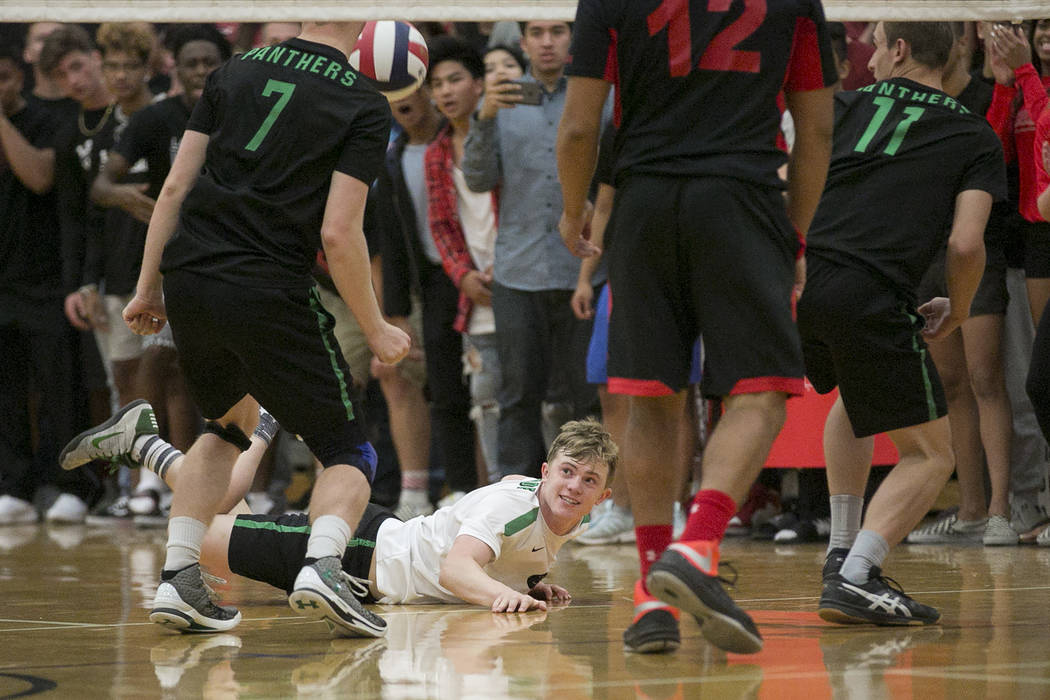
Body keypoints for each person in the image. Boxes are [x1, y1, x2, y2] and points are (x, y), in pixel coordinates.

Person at [558, 0, 836, 655]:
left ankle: (653, 594)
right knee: (762, 392)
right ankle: (698, 544)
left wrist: (574, 213)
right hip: (740, 198)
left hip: (644, 203)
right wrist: (795, 236)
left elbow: (577, 129)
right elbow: (818, 128)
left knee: (651, 398)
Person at [119, 21, 410, 636]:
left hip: (190, 274)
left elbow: (174, 185)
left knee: (229, 424)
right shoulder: (363, 101)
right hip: (268, 283)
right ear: (363, 28)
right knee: (348, 449)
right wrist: (377, 326)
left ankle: (178, 579)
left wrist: (148, 286)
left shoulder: (236, 70)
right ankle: (324, 566)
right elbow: (339, 231)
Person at [797, 22, 1005, 625]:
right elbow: (966, 245)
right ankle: (858, 574)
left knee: (857, 403)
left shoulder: (842, 104)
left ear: (899, 50)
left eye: (876, 42)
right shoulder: (973, 132)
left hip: (812, 281)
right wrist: (959, 307)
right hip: (872, 291)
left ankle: (841, 551)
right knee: (932, 456)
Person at [62, 407, 615, 613]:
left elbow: (484, 558)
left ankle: (160, 443)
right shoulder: (516, 506)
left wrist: (525, 582)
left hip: (371, 560)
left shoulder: (562, 519)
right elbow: (454, 569)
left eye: (589, 480)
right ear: (546, 471)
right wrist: (503, 595)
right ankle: (158, 444)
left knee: (221, 511)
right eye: (567, 471)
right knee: (203, 523)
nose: (574, 486)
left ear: (602, 497)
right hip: (359, 550)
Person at [462, 20, 602, 481]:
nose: (547, 41)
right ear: (522, 43)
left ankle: (591, 500)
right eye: (537, 32)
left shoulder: (598, 96)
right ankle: (513, 502)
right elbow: (478, 180)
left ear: (573, 39)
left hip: (586, 268)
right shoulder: (501, 100)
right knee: (517, 396)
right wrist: (482, 117)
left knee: (588, 396)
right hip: (517, 271)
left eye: (558, 31)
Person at [907, 22, 1016, 547]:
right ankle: (970, 509)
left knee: (985, 378)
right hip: (926, 254)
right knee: (950, 386)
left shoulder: (984, 98)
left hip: (978, 251)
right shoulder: (912, 103)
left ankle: (1000, 511)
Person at [0, 42, 90, 526]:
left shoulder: (52, 120)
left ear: (21, 76)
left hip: (46, 279)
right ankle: (13, 485)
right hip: (3, 282)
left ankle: (71, 485)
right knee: (6, 390)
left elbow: (38, 176)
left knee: (60, 391)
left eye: (4, 77)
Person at [424, 37, 502, 481]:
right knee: (486, 402)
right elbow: (442, 228)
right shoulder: (435, 152)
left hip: (523, 279)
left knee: (546, 399)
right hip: (475, 296)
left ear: (479, 84)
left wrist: (505, 266)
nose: (446, 91)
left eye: (455, 79)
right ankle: (500, 499)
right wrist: (464, 275)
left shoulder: (507, 134)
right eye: (437, 84)